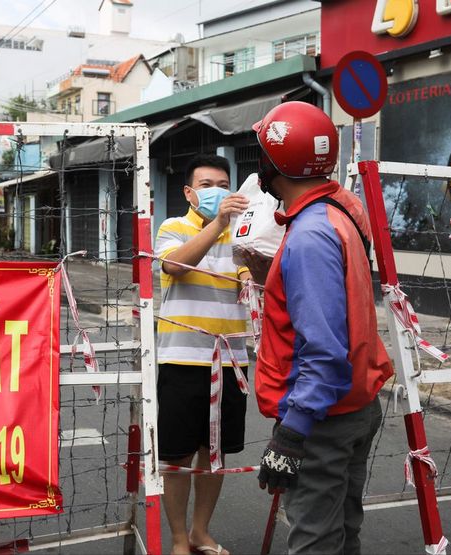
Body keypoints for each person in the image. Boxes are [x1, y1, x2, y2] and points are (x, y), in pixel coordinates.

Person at [250, 101, 395, 554]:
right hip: (355, 404)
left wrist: (292, 433)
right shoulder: (341, 209)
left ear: (275, 165)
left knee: (315, 540)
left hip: (322, 418)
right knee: (341, 531)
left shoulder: (310, 236)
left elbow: (324, 350)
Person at [154, 154, 252, 555]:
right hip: (181, 359)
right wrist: (218, 224)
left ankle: (200, 532)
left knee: (215, 454)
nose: (217, 192)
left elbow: (258, 281)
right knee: (176, 454)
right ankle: (178, 538)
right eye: (207, 185)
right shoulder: (172, 227)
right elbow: (175, 265)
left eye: (223, 184)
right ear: (189, 192)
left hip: (231, 361)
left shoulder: (243, 236)